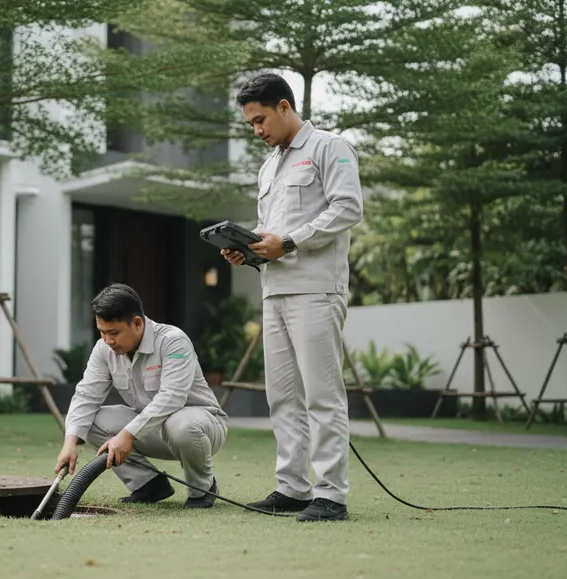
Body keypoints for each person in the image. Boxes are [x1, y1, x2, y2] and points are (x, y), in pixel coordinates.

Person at [221, 72, 363, 522]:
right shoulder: (268, 167)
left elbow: (348, 208)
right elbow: (272, 232)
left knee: (321, 395)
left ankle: (331, 495)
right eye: (250, 124)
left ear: (285, 106)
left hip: (317, 290)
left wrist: (288, 242)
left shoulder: (329, 148)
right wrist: (248, 248)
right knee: (282, 397)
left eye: (260, 120)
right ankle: (293, 488)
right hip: (275, 290)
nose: (256, 130)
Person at [55, 283, 229, 509]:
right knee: (90, 422)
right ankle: (149, 485)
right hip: (150, 429)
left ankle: (202, 489)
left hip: (201, 428)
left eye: (114, 333)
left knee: (180, 424)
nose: (108, 340)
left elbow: (173, 397)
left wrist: (127, 434)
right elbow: (86, 395)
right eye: (102, 332)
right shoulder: (103, 349)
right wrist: (70, 443)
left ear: (137, 323)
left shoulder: (173, 341)